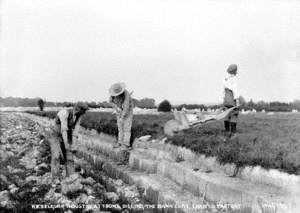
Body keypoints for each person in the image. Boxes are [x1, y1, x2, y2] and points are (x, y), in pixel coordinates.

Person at [53, 102, 89, 177]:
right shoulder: (64, 113)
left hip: (67, 133)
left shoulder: (78, 116)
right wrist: (66, 143)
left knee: (69, 155)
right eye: (83, 111)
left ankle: (70, 176)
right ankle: (55, 177)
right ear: (78, 110)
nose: (84, 113)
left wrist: (74, 145)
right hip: (57, 133)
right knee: (56, 154)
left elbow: (75, 132)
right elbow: (64, 129)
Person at [109, 82, 134, 149]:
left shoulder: (126, 94)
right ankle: (120, 142)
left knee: (126, 127)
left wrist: (122, 117)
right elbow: (110, 102)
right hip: (119, 110)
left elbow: (126, 107)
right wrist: (116, 108)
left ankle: (126, 144)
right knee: (120, 127)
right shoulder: (112, 95)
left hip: (128, 111)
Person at [223, 64, 239, 135]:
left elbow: (223, 91)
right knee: (234, 114)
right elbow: (235, 90)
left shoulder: (225, 79)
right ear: (235, 71)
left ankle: (227, 131)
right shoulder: (234, 79)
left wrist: (224, 99)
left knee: (226, 114)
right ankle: (233, 132)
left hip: (226, 98)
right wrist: (237, 101)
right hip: (232, 98)